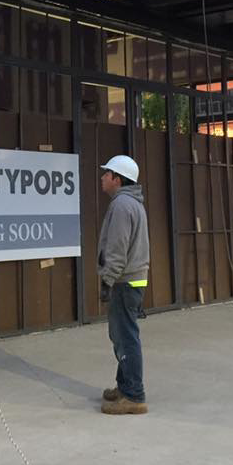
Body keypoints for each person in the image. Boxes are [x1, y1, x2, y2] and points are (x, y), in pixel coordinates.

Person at [97, 154, 150, 415]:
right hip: (132, 279)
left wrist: (107, 279)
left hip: (124, 281)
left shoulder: (121, 205)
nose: (103, 177)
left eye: (107, 173)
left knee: (126, 337)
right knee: (122, 335)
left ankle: (133, 396)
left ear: (117, 179)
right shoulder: (133, 203)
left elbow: (117, 248)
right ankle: (125, 385)